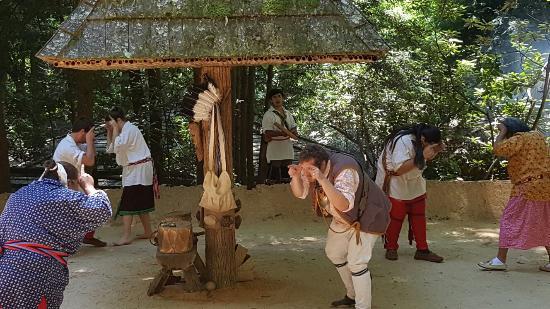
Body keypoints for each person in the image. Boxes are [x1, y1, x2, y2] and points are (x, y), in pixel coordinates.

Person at [289, 144, 391, 309]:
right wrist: (295, 176)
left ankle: (363, 305)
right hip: (344, 218)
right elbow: (300, 194)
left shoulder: (345, 169)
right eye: (302, 168)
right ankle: (352, 294)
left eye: (309, 169)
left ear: (323, 165)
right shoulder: (311, 168)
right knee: (334, 253)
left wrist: (322, 179)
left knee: (357, 263)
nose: (305, 173)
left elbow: (344, 205)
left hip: (368, 215)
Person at [0, 160, 112, 309]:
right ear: (70, 182)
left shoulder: (16, 196)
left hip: (4, 271)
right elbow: (102, 209)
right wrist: (88, 185)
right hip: (36, 274)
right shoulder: (62, 196)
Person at [478, 117, 550, 271]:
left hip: (526, 187)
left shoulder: (519, 138)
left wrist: (501, 132)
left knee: (508, 220)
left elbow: (498, 149)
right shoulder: (538, 136)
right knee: (545, 222)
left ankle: (500, 260)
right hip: (545, 186)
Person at [375, 124, 445, 263]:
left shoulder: (421, 141)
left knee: (418, 214)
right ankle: (391, 248)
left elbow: (423, 160)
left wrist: (434, 151)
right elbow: (399, 169)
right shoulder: (403, 141)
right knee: (396, 216)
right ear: (423, 139)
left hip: (414, 181)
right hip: (396, 181)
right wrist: (424, 155)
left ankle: (422, 250)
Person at [105, 107, 157, 246]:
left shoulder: (130, 129)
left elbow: (117, 146)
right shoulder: (123, 131)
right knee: (140, 201)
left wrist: (115, 129)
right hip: (134, 169)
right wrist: (110, 131)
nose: (110, 125)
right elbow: (111, 148)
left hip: (138, 170)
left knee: (128, 202)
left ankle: (127, 235)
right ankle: (148, 231)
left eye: (111, 123)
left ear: (118, 120)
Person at [53, 117, 106, 247]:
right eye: (90, 133)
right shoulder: (67, 146)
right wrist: (89, 140)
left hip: (72, 183)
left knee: (91, 205)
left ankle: (87, 236)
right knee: (72, 214)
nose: (93, 136)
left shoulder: (74, 142)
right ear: (83, 132)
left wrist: (90, 141)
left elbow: (91, 154)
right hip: (62, 186)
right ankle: (63, 243)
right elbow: (90, 161)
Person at [262, 89, 298, 184]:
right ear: (271, 100)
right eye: (274, 97)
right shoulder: (268, 115)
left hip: (287, 144)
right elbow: (267, 132)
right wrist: (282, 133)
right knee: (275, 164)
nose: (277, 99)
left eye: (279, 96)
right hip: (274, 144)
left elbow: (293, 127)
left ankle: (287, 187)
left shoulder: (288, 113)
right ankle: (271, 187)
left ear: (283, 98)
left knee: (287, 164)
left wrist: (294, 132)